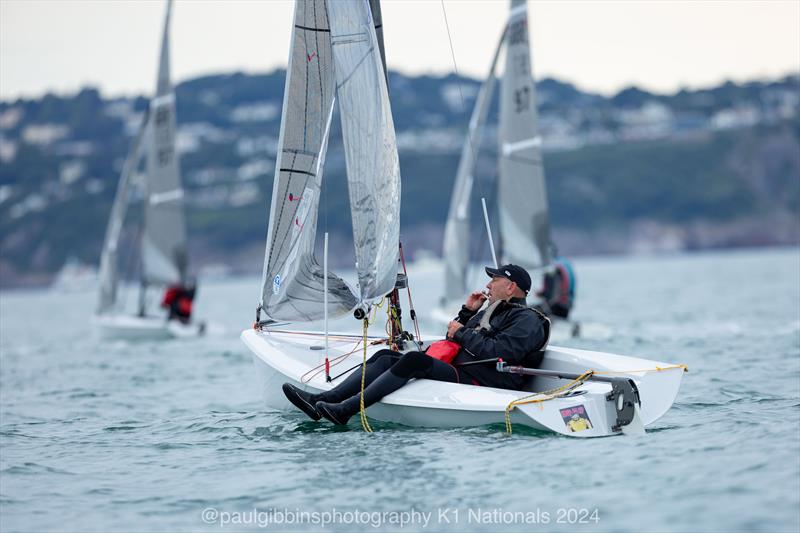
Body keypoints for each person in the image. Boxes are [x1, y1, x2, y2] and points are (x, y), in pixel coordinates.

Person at [282, 264, 550, 426]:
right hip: (464, 369)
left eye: (495, 280)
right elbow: (453, 338)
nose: (488, 284)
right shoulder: (490, 310)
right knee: (386, 355)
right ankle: (322, 400)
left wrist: (461, 333)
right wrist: (467, 313)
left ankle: (347, 409)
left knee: (414, 361)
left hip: (486, 380)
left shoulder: (527, 319)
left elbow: (500, 353)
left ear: (512, 287)